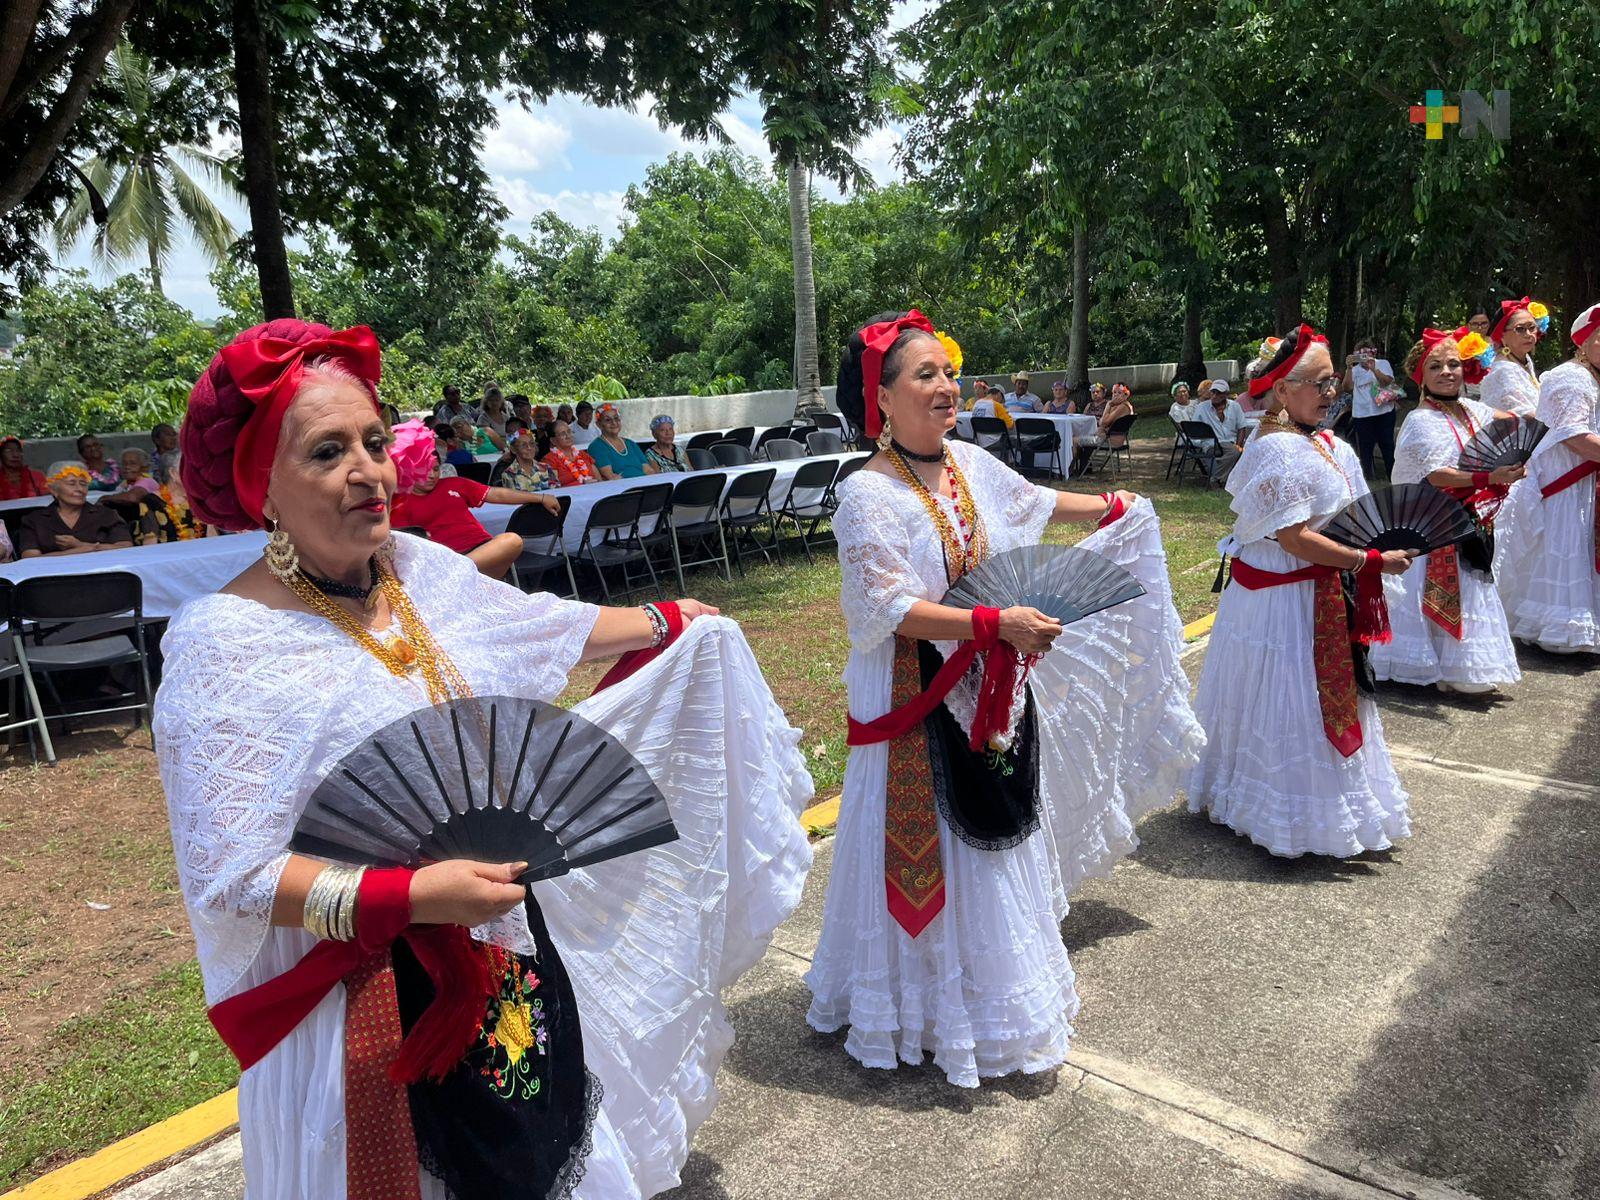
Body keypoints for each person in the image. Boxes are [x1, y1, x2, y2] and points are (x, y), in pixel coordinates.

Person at [158, 318, 812, 1200]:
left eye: (375, 441)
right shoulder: (223, 644)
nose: (368, 472)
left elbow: (544, 628)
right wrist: (418, 895)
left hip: (504, 950)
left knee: (543, 1153)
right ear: (259, 487)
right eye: (326, 452)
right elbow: (231, 875)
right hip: (364, 1004)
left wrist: (667, 621)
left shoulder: (416, 571)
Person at [805, 310, 1202, 1088]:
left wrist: (1115, 508)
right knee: (941, 839)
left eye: (949, 373)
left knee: (994, 835)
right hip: (915, 697)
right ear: (880, 399)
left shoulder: (966, 466)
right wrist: (993, 621)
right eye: (925, 375)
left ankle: (987, 994)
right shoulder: (865, 497)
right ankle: (918, 1007)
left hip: (989, 683)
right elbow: (884, 610)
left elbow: (1034, 502)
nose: (947, 388)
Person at [1186, 325, 1416, 857]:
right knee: (1288, 698)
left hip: (1308, 594)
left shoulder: (1319, 440)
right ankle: (1282, 811)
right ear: (1281, 390)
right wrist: (1368, 561)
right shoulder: (1279, 449)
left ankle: (1293, 802)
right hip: (1285, 602)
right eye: (1316, 383)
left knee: (1297, 699)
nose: (1330, 391)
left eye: (1332, 380)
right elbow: (1293, 538)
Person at [1369, 329, 1524, 693]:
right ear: (1420, 375)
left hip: (1466, 518)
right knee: (1427, 587)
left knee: (1470, 586)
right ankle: (1432, 666)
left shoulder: (1470, 409)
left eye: (1454, 364)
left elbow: (1515, 419)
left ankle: (1459, 666)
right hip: (1428, 522)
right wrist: (1490, 475)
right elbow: (1435, 475)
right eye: (1435, 366)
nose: (1447, 372)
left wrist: (1519, 455)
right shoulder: (1421, 420)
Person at [1494, 302, 1600, 654]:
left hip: (1579, 480)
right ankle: (1560, 630)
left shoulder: (1586, 375)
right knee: (1564, 542)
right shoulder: (1572, 377)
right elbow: (1574, 435)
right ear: (1582, 343)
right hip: (1563, 481)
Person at [392, 450, 552, 578]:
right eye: (423, 470)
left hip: (481, 553)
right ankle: (458, 573)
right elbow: (402, 543)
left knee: (513, 541)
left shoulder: (454, 483)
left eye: (435, 469)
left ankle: (457, 572)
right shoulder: (399, 501)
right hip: (443, 558)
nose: (432, 475)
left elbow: (497, 494)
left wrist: (541, 497)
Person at [17, 462, 133, 557]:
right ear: (53, 489)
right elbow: (30, 558)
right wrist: (84, 549)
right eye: (71, 483)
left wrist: (80, 545)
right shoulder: (34, 520)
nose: (79, 489)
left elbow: (126, 547)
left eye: (83, 484)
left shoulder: (106, 514)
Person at [1479, 296, 1548, 418]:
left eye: (1532, 327)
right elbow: (1523, 412)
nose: (1528, 334)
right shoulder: (1503, 369)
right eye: (1520, 329)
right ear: (1502, 336)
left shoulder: (1523, 358)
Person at [1172, 379, 1249, 485]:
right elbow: (1194, 428)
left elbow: (1242, 427)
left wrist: (1239, 445)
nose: (1214, 395)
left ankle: (1217, 478)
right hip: (1211, 443)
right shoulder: (1202, 408)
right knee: (1235, 452)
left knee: (1238, 450)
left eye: (1218, 393)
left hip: (1230, 442)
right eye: (1213, 392)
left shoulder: (1235, 406)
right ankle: (1221, 478)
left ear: (1226, 394)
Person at [1340, 338, 1397, 477]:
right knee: (1365, 446)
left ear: (1373, 353)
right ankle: (1368, 476)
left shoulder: (1382, 364)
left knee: (1387, 444)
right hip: (1362, 413)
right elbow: (1347, 387)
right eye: (1360, 354)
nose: (1364, 357)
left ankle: (1392, 474)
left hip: (1384, 411)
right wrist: (1348, 367)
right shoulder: (1354, 370)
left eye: (1366, 353)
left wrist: (1373, 368)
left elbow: (1387, 382)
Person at [101, 447, 166, 544]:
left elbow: (132, 498)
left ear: (145, 467)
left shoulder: (147, 481)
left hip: (148, 531)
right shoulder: (124, 484)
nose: (127, 467)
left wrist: (105, 498)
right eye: (124, 463)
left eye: (132, 463)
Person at [587, 403, 656, 480]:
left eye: (616, 418)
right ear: (599, 424)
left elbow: (648, 470)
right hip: (625, 489)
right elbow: (610, 476)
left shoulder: (630, 443)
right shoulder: (597, 446)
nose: (614, 423)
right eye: (607, 420)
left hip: (645, 485)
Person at [544, 420, 603, 487]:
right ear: (553, 440)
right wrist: (582, 485)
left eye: (569, 431)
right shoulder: (550, 460)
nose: (568, 436)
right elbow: (554, 487)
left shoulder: (582, 454)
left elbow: (599, 480)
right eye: (563, 434)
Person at [0, 435, 47, 500]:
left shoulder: (36, 476)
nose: (15, 455)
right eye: (9, 451)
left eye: (18, 450)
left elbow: (48, 502)